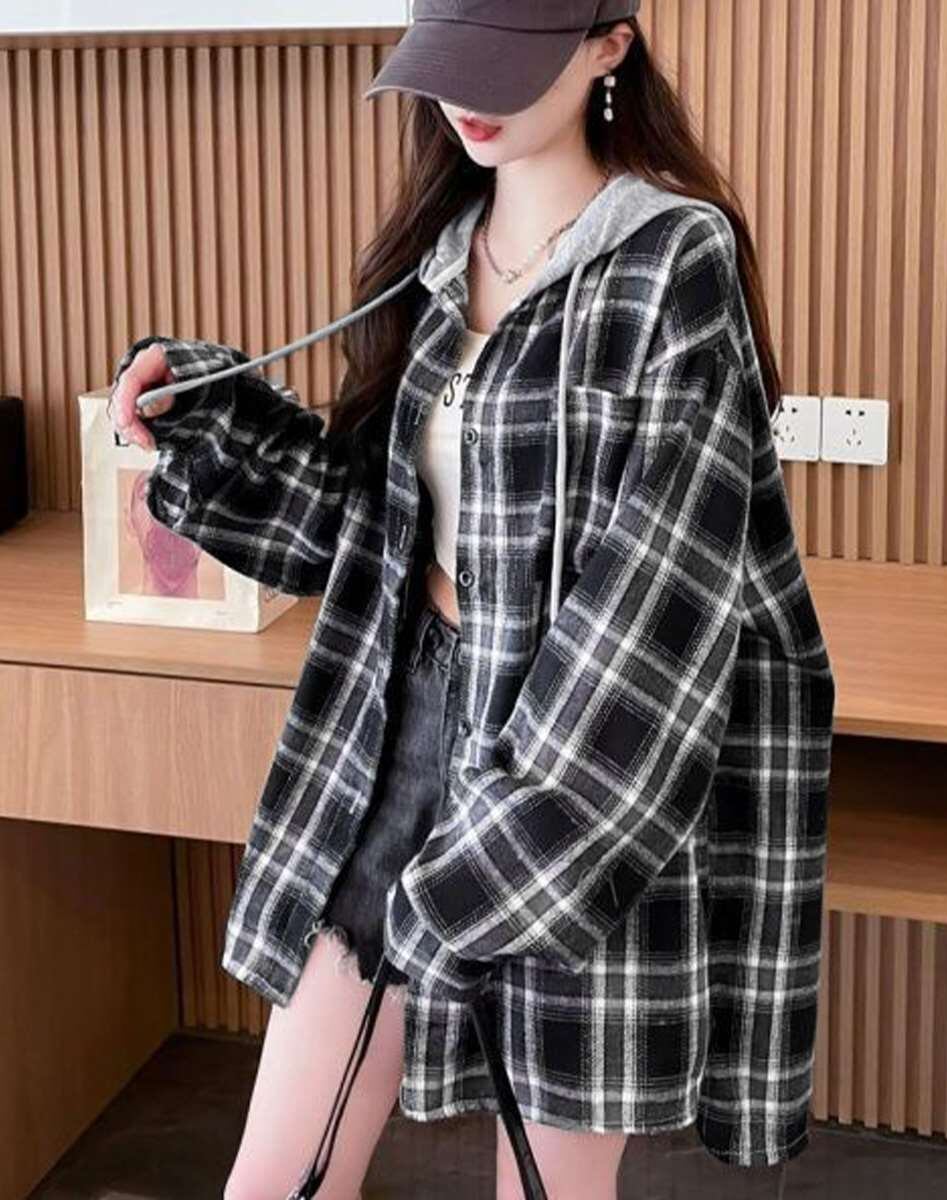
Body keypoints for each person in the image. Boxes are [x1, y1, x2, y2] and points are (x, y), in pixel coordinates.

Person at [110, 3, 835, 1197]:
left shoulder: (671, 262)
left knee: (544, 1186)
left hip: (573, 764)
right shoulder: (442, 256)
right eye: (450, 65)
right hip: (400, 728)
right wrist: (207, 413)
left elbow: (659, 603)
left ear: (608, 46)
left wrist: (513, 841)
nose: (467, 100)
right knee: (274, 1176)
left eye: (506, 65)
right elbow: (364, 533)